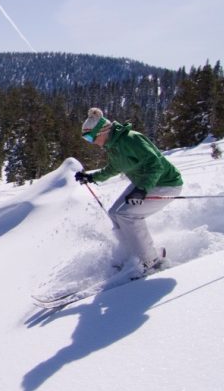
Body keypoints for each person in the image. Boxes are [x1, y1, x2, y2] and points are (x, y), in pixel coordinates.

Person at [74, 107, 183, 274]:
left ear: (102, 131)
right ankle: (133, 254)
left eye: (90, 137)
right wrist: (91, 177)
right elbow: (113, 168)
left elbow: (156, 164)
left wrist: (141, 190)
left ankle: (151, 261)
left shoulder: (132, 139)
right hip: (144, 183)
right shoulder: (113, 146)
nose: (91, 142)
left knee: (128, 215)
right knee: (114, 213)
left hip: (166, 183)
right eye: (86, 139)